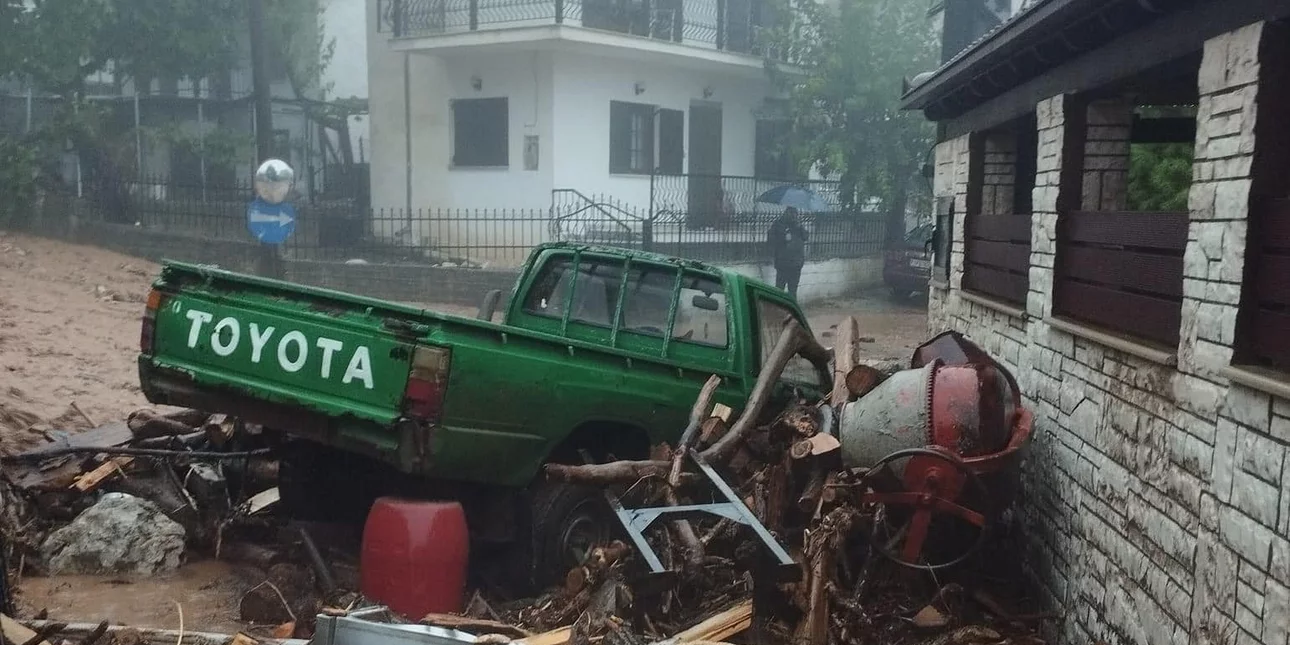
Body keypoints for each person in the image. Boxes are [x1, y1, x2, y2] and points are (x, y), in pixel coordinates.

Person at [767, 206, 808, 298]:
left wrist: (800, 227)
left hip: (796, 263)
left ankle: (791, 309)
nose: (793, 216)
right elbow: (771, 239)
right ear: (786, 213)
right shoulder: (778, 224)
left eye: (795, 214)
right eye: (791, 213)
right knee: (779, 289)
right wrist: (783, 238)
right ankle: (777, 309)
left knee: (793, 290)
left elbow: (805, 237)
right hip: (783, 263)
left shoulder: (798, 225)